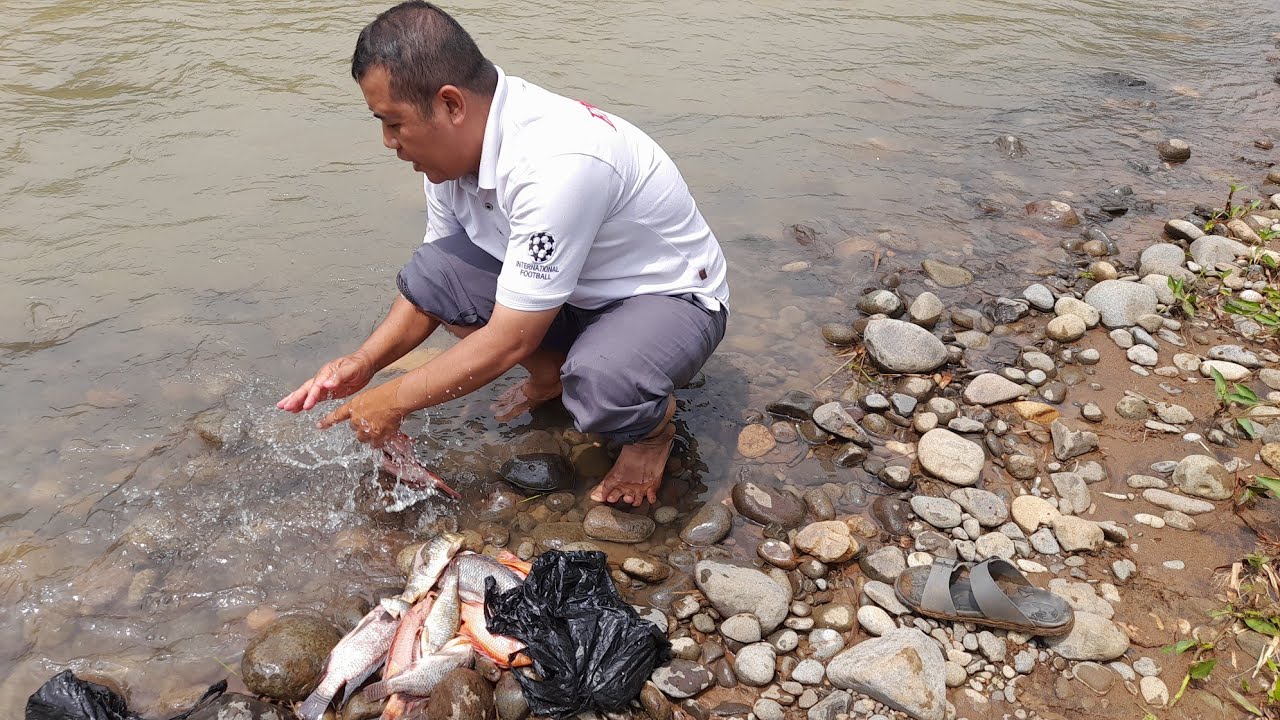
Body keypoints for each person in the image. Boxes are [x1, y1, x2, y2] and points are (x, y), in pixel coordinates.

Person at [277, 1, 729, 507]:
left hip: (668, 298)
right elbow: (436, 284)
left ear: (451, 104)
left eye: (394, 123)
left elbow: (511, 338)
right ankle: (553, 375)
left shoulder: (556, 163)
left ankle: (650, 433)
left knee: (603, 381)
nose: (388, 142)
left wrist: (392, 400)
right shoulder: (450, 159)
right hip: (572, 293)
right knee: (433, 272)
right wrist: (365, 363)